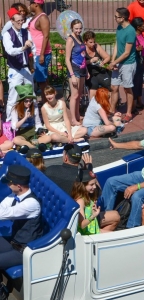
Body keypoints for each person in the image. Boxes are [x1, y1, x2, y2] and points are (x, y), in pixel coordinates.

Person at [101, 118, 144, 228]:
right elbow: (137, 144)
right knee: (111, 182)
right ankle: (105, 218)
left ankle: (132, 228)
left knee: (137, 196)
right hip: (143, 175)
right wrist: (117, 145)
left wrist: (136, 187)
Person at [0, 165, 43, 300]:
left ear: (19, 186)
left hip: (24, 250)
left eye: (9, 182)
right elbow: (3, 206)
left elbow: (4, 213)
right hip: (14, 241)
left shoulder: (31, 204)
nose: (7, 184)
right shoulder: (15, 194)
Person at [2, 8, 35, 121]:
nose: (21, 22)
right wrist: (24, 48)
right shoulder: (7, 34)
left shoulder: (26, 32)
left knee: (31, 96)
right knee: (13, 98)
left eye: (22, 20)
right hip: (15, 70)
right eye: (18, 21)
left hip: (27, 69)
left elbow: (33, 47)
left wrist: (32, 52)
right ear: (12, 21)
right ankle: (10, 123)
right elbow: (10, 51)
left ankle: (34, 122)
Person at [108, 8, 136, 124]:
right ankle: (112, 109)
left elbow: (126, 53)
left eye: (116, 17)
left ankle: (129, 113)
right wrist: (113, 60)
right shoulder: (119, 28)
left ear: (122, 18)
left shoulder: (131, 31)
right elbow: (117, 45)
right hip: (118, 62)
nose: (115, 18)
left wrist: (114, 63)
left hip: (128, 64)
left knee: (127, 88)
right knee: (114, 87)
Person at [71, 169, 120, 234]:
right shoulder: (80, 201)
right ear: (82, 185)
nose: (94, 186)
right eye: (91, 185)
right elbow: (82, 225)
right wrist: (93, 216)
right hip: (89, 235)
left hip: (94, 229)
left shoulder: (88, 194)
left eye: (95, 183)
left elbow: (99, 191)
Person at [12, 84, 52, 152]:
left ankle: (27, 146)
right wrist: (25, 118)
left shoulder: (34, 107)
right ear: (22, 101)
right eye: (26, 101)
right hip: (22, 132)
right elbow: (14, 126)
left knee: (48, 138)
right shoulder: (15, 109)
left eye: (30, 100)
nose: (29, 103)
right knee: (16, 140)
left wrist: (40, 130)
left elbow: (38, 123)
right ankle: (35, 147)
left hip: (33, 132)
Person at [65, 19, 88, 126]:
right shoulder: (70, 40)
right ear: (72, 28)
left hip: (82, 68)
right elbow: (67, 59)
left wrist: (86, 70)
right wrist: (72, 75)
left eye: (80, 28)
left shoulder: (79, 37)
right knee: (74, 95)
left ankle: (78, 114)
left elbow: (83, 55)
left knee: (79, 95)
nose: (78, 30)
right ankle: (73, 119)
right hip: (74, 70)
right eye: (76, 29)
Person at [29, 0, 52, 104]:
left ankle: (45, 103)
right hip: (36, 53)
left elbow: (46, 36)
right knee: (43, 79)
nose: (29, 6)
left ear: (36, 4)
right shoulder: (35, 17)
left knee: (42, 81)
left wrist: (42, 54)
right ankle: (48, 101)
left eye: (30, 4)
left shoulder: (42, 18)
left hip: (41, 53)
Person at [83, 30, 111, 99]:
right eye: (90, 42)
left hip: (99, 71)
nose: (93, 44)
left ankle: (111, 105)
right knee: (94, 85)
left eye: (94, 42)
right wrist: (90, 61)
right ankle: (92, 107)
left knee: (108, 84)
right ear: (85, 42)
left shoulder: (96, 46)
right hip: (89, 72)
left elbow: (107, 57)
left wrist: (103, 62)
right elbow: (81, 63)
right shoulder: (83, 49)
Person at [131, 17, 144, 111]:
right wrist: (136, 49)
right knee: (134, 83)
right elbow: (127, 49)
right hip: (135, 61)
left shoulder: (141, 35)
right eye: (143, 25)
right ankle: (133, 105)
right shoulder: (133, 36)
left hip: (141, 61)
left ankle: (139, 102)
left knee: (139, 83)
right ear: (138, 27)